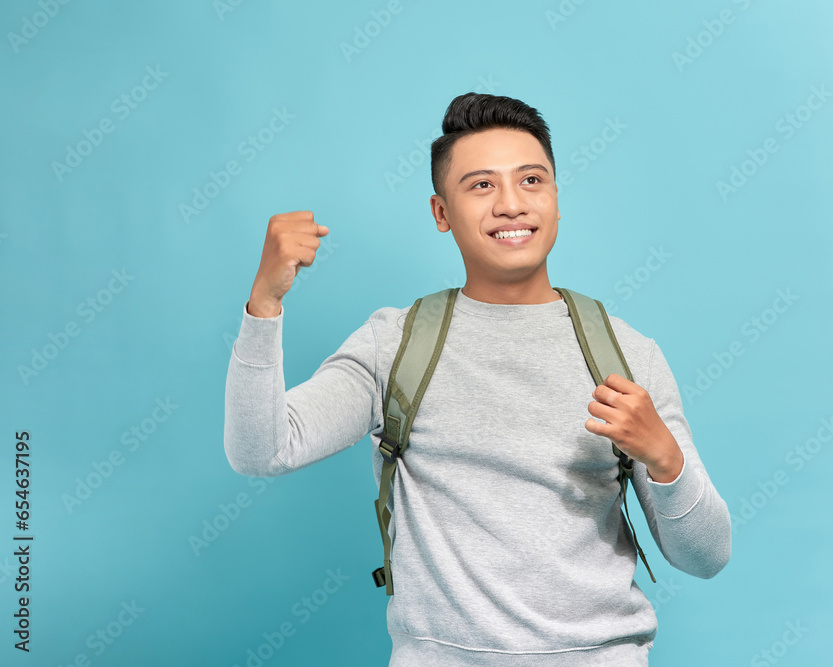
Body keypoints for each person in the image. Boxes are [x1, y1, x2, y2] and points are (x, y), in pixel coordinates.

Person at [224, 93, 731, 666]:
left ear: (557, 201)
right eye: (482, 185)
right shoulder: (394, 345)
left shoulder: (627, 354)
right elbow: (261, 450)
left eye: (532, 180)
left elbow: (707, 556)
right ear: (441, 213)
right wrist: (264, 304)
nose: (512, 205)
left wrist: (665, 458)